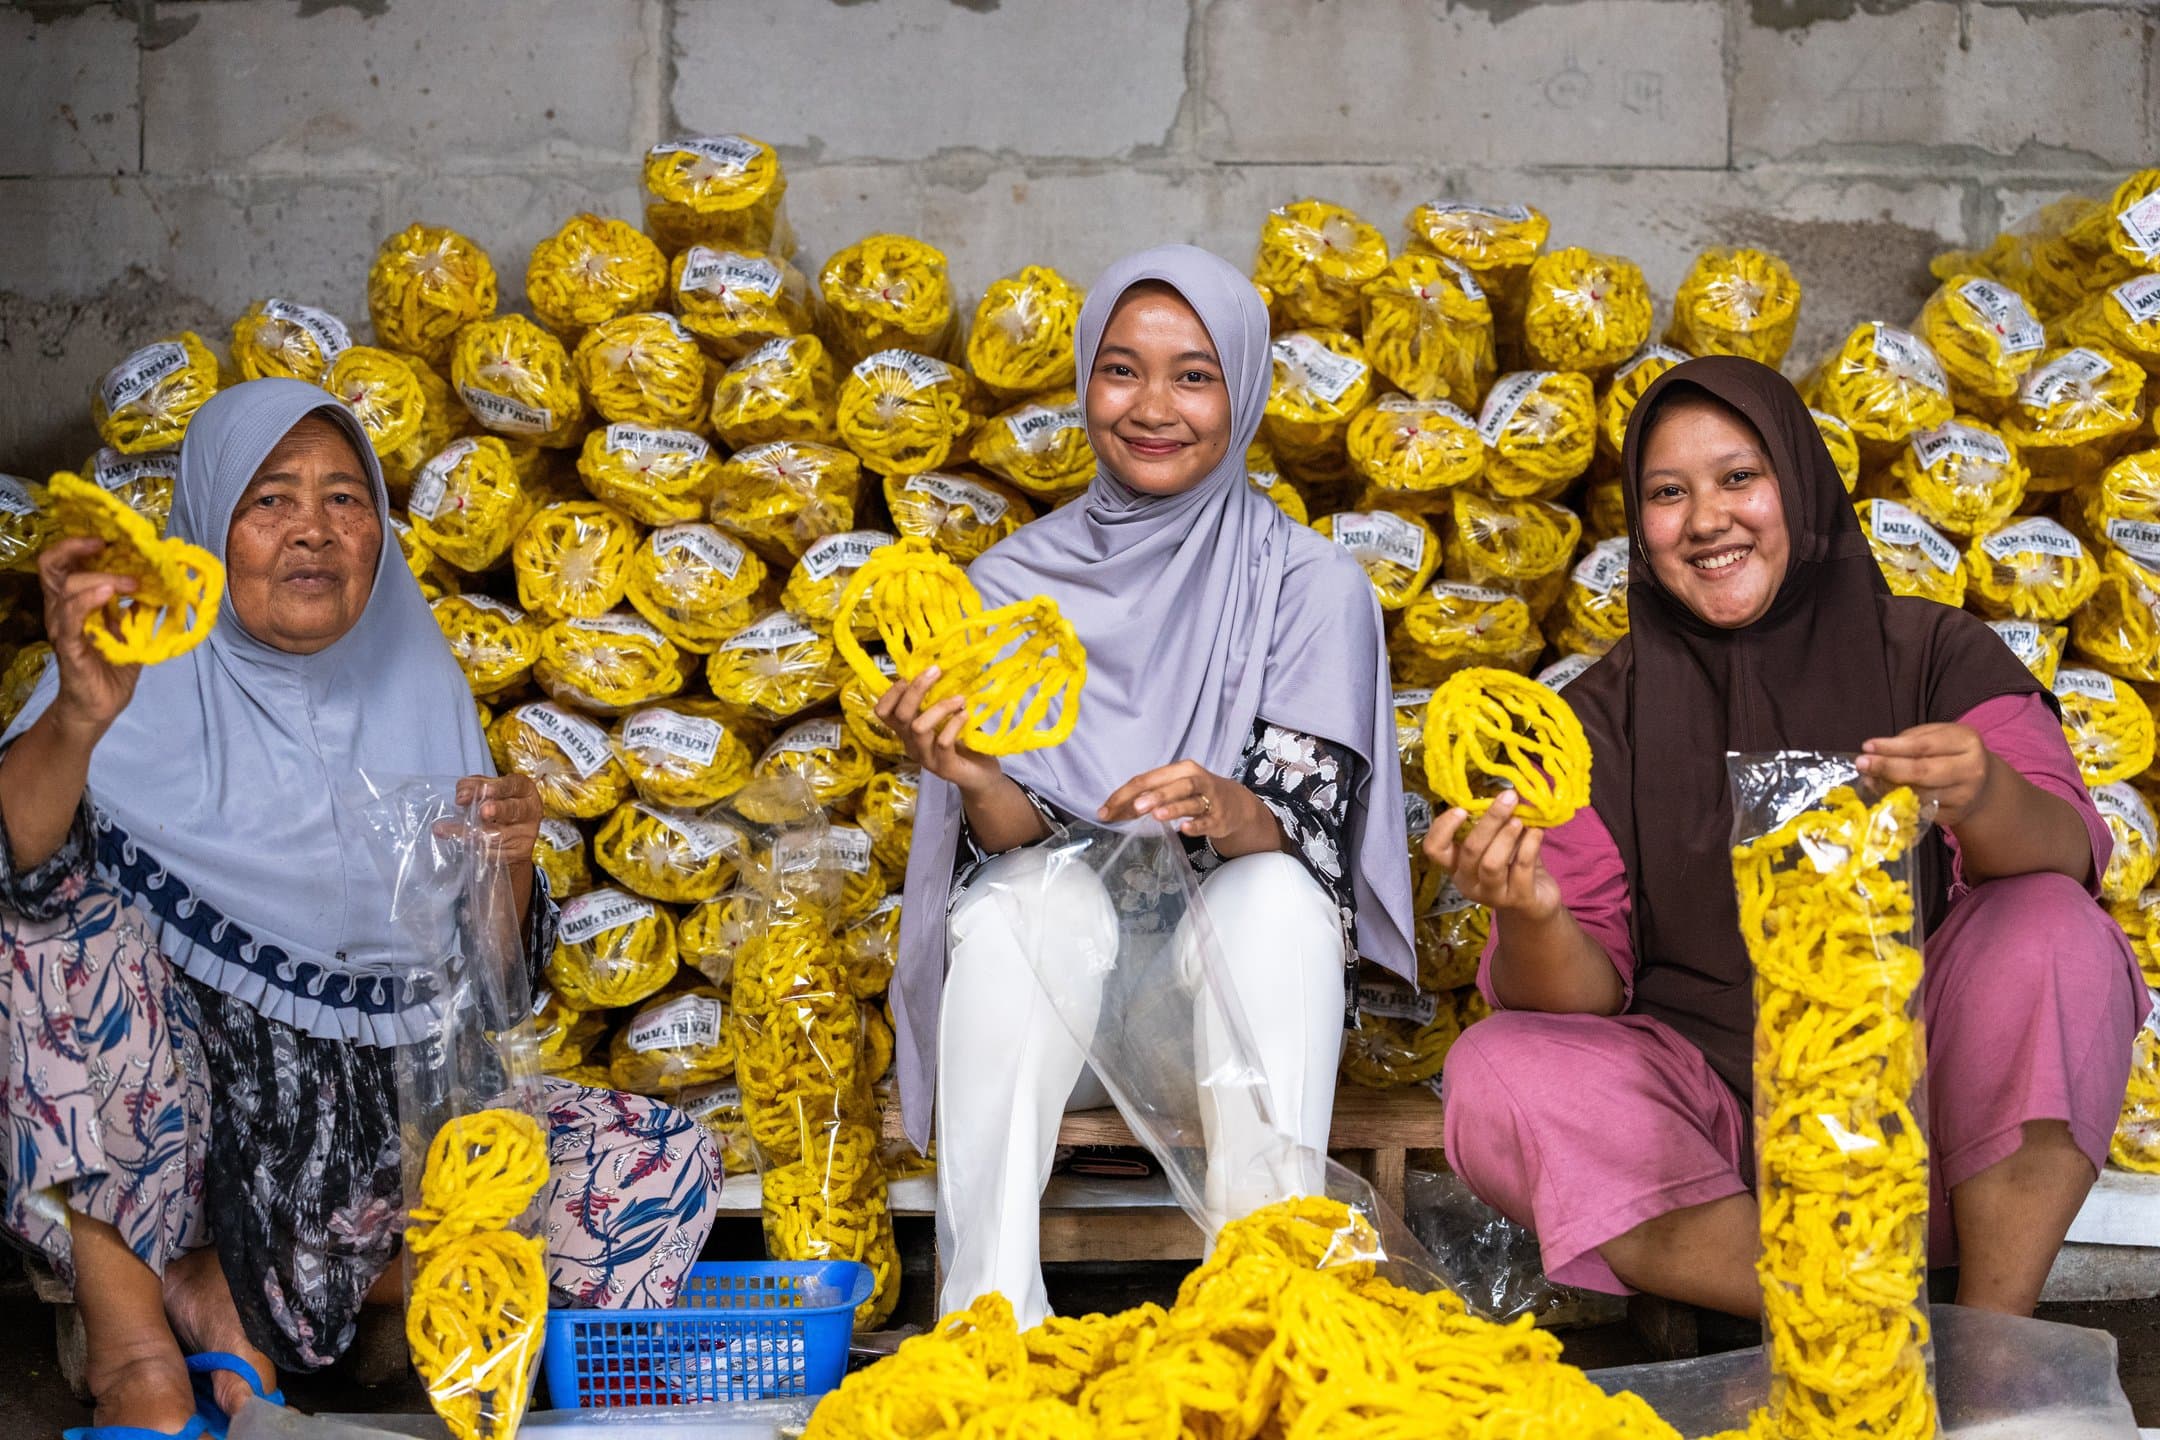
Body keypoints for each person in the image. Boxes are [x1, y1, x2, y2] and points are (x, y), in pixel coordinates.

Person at [0, 380, 720, 1437]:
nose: (312, 533)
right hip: (173, 1152)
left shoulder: (413, 670)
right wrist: (77, 714)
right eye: (270, 501)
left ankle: (245, 1294)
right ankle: (137, 1341)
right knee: (56, 935)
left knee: (654, 1158)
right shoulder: (131, 669)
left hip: (367, 1167)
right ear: (207, 525)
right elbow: (19, 858)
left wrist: (507, 860)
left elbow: (494, 994)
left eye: (345, 500)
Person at [1427, 355, 2147, 1319]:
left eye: (1738, 478)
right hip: (1719, 1158)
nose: (1707, 519)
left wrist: (1982, 792)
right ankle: (1851, 1318)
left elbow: (2066, 852)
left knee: (2051, 928)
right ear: (1640, 528)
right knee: (1499, 1067)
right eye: (1667, 493)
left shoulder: (1935, 653)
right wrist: (1531, 913)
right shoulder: (1596, 721)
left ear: (1800, 485)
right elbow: (1576, 996)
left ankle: (1993, 1336)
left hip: (1929, 1121)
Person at [885, 244, 1416, 1328]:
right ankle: (988, 1330)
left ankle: (1267, 1316)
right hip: (1060, 1021)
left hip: (1224, 1008)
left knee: (1270, 899)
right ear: (1085, 382)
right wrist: (977, 775)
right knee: (1030, 900)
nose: (1153, 407)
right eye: (1121, 370)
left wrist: (1232, 810)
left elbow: (1317, 852)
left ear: (1247, 390)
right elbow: (1008, 846)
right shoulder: (1009, 589)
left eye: (1195, 374)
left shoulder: (1310, 588)